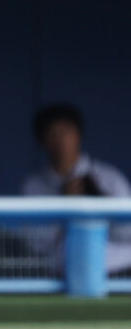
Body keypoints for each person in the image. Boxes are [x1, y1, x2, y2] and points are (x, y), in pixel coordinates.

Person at [22, 103, 131, 273]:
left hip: (117, 269)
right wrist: (64, 206)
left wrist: (103, 204)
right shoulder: (34, 186)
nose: (61, 140)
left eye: (66, 131)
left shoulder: (109, 178)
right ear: (42, 141)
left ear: (78, 134)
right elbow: (36, 244)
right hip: (59, 271)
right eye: (53, 133)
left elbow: (127, 234)